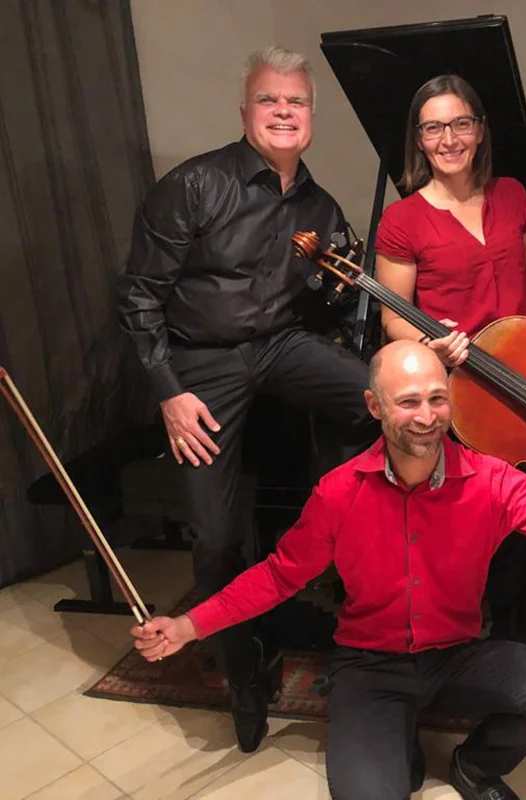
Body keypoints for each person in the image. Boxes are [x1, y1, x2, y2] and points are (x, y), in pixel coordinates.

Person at [131, 340, 526, 800]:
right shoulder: (336, 493)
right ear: (375, 407)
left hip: (456, 655)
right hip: (369, 667)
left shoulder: (491, 481)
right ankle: (396, 739)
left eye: (438, 398)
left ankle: (474, 767)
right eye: (408, 401)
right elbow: (276, 576)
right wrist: (190, 625)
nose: (428, 415)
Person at [117, 45, 377, 752]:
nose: (284, 112)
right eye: (270, 100)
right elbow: (138, 297)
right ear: (246, 111)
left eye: (295, 102)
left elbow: (322, 302)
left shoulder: (320, 206)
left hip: (281, 346)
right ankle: (243, 673)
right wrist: (170, 393)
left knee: (381, 397)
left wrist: (338, 290)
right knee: (215, 535)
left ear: (311, 116)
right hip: (203, 362)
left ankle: (351, 519)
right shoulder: (195, 186)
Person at [373, 74, 526, 654]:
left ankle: (522, 637)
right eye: (435, 127)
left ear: (479, 130)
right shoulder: (403, 220)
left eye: (461, 123)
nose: (449, 138)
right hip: (468, 385)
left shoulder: (514, 195)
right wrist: (431, 344)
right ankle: (507, 647)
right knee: (501, 526)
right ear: (419, 139)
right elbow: (393, 320)